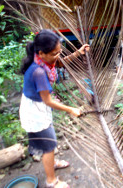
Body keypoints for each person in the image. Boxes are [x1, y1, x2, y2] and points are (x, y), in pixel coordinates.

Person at [17, 30, 89, 188]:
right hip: (35, 112)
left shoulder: (43, 61)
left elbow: (60, 62)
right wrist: (71, 109)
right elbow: (48, 101)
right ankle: (51, 181)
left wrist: (78, 52)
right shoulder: (38, 72)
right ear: (42, 53)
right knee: (49, 145)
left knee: (48, 141)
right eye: (55, 53)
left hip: (38, 107)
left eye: (59, 52)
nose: (58, 56)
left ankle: (51, 163)